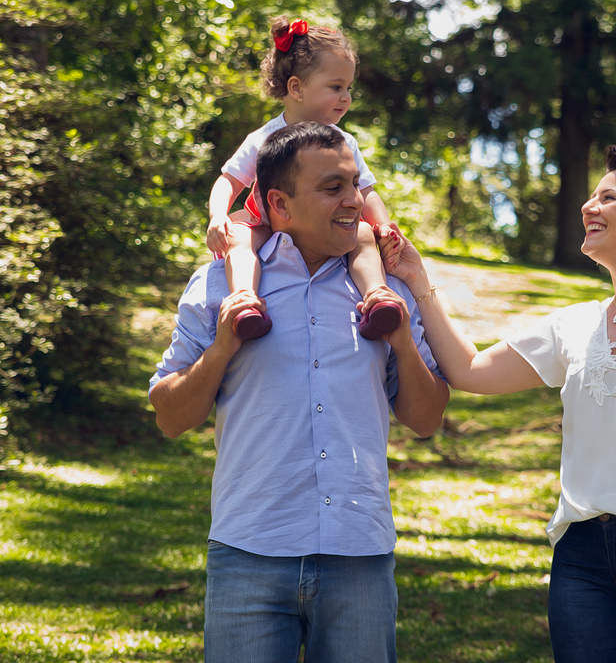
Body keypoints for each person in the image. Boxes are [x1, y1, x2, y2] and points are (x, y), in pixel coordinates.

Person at [381, 146, 616, 663]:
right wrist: (417, 279)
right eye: (592, 194)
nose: (590, 205)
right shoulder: (573, 325)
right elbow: (468, 371)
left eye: (608, 198)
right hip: (583, 565)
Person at [150, 121, 450, 663]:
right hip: (249, 552)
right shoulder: (219, 284)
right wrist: (221, 348)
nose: (355, 201)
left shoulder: (387, 289)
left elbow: (427, 421)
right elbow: (170, 417)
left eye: (355, 185)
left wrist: (404, 343)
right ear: (279, 206)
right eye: (333, 187)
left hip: (360, 553)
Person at [205, 16, 402, 341]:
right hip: (269, 226)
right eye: (336, 87)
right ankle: (244, 302)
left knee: (364, 235)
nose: (346, 98)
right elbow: (229, 180)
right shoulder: (265, 138)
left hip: (325, 227)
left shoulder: (343, 142)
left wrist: (383, 225)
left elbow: (364, 190)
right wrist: (218, 216)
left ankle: (377, 298)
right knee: (239, 234)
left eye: (348, 88)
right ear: (296, 87)